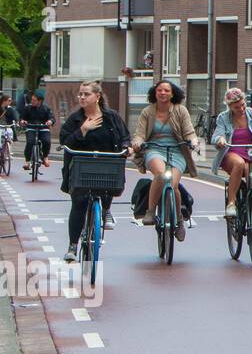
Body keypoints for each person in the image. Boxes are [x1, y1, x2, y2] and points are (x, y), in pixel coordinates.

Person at [58, 81, 131, 262]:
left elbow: (125, 137)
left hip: (107, 165)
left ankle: (106, 209)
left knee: (109, 187)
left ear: (97, 97)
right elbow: (65, 141)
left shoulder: (111, 117)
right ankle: (73, 246)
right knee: (79, 202)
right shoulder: (75, 119)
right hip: (81, 165)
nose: (82, 97)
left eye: (86, 94)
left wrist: (127, 147)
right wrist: (82, 130)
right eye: (80, 94)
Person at [131, 81, 200, 238]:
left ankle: (179, 221)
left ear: (172, 93)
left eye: (166, 90)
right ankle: (150, 212)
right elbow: (140, 133)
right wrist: (138, 143)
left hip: (177, 151)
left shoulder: (180, 110)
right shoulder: (147, 112)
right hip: (155, 149)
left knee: (173, 185)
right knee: (161, 175)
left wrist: (193, 142)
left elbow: (189, 131)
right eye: (159, 90)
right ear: (154, 93)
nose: (163, 93)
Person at [210, 87, 252, 218]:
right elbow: (217, 135)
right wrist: (220, 140)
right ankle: (231, 203)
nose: (241, 109)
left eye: (242, 105)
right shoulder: (223, 118)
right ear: (229, 107)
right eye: (236, 107)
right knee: (239, 164)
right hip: (232, 152)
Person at [19, 90, 54, 170]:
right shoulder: (28, 108)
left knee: (47, 141)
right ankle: (27, 162)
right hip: (31, 128)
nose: (32, 101)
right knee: (30, 142)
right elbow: (22, 118)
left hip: (43, 128)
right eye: (31, 100)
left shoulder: (46, 108)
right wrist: (22, 121)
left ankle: (45, 157)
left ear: (40, 101)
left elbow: (52, 118)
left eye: (34, 100)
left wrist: (50, 121)